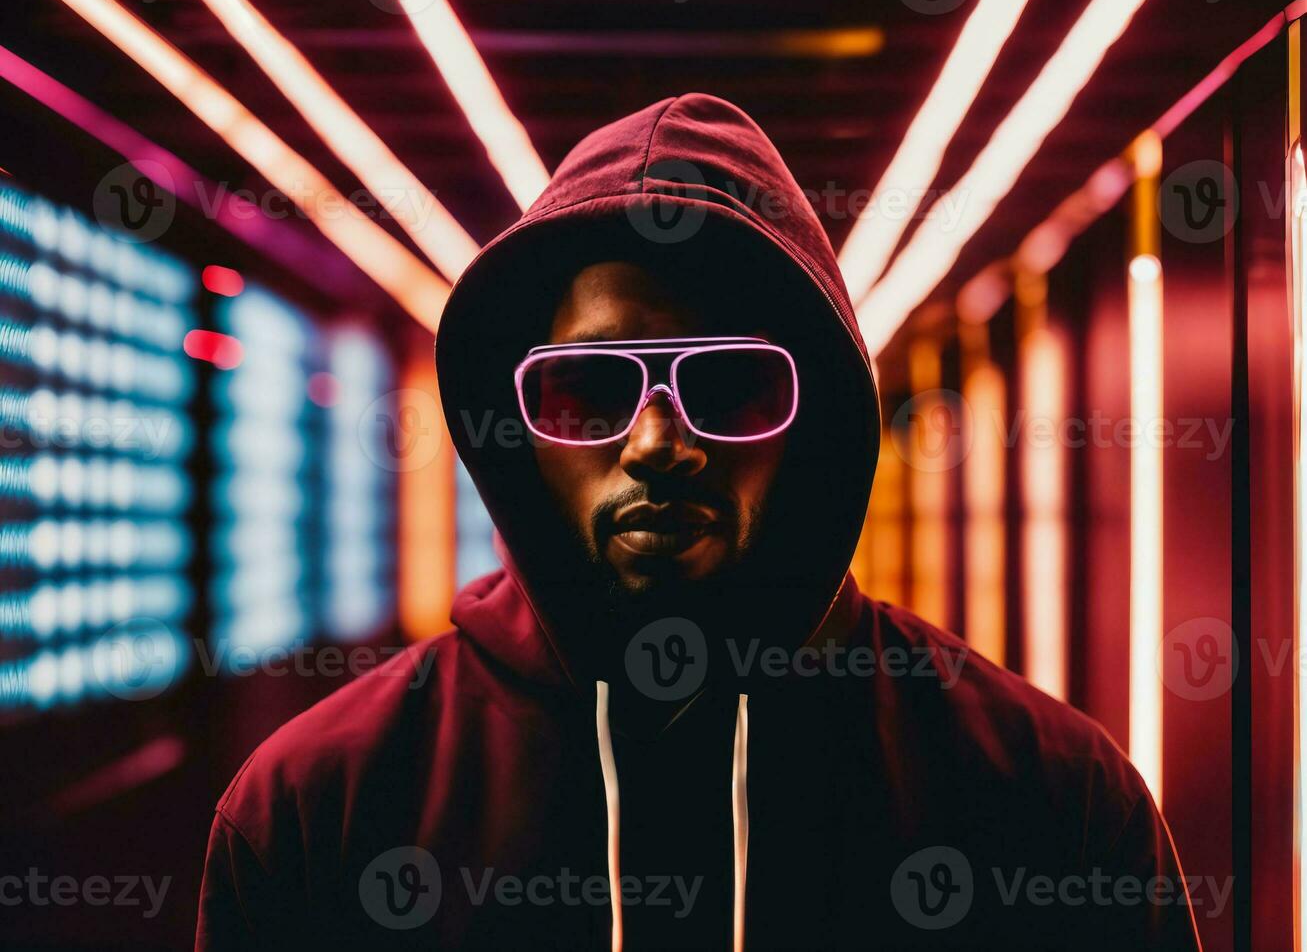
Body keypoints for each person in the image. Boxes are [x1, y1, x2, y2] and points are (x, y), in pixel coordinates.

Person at [195, 94, 1200, 951]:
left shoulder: (1048, 801)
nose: (655, 443)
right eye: (587, 389)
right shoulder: (320, 806)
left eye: (727, 381)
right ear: (516, 430)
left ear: (818, 425)